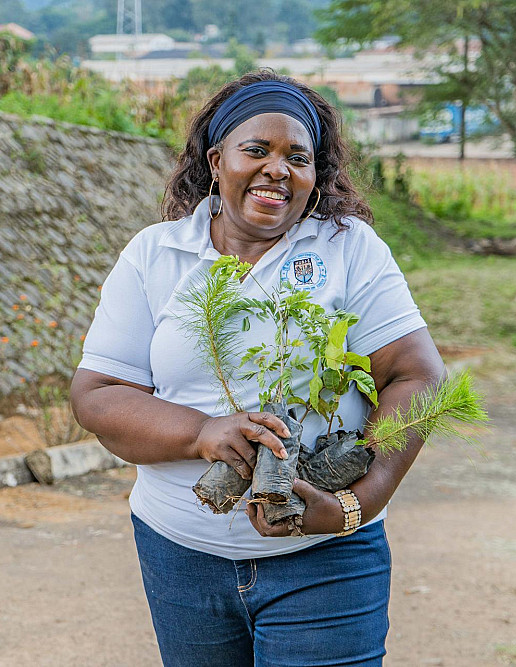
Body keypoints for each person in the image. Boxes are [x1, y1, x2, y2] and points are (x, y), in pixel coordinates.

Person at [70, 69, 445, 666]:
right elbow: (99, 394)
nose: (278, 168)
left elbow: (417, 376)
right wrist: (202, 433)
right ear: (216, 160)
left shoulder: (347, 249)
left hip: (326, 558)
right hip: (179, 557)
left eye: (299, 157)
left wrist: (357, 505)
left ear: (315, 176)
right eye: (257, 150)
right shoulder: (156, 254)